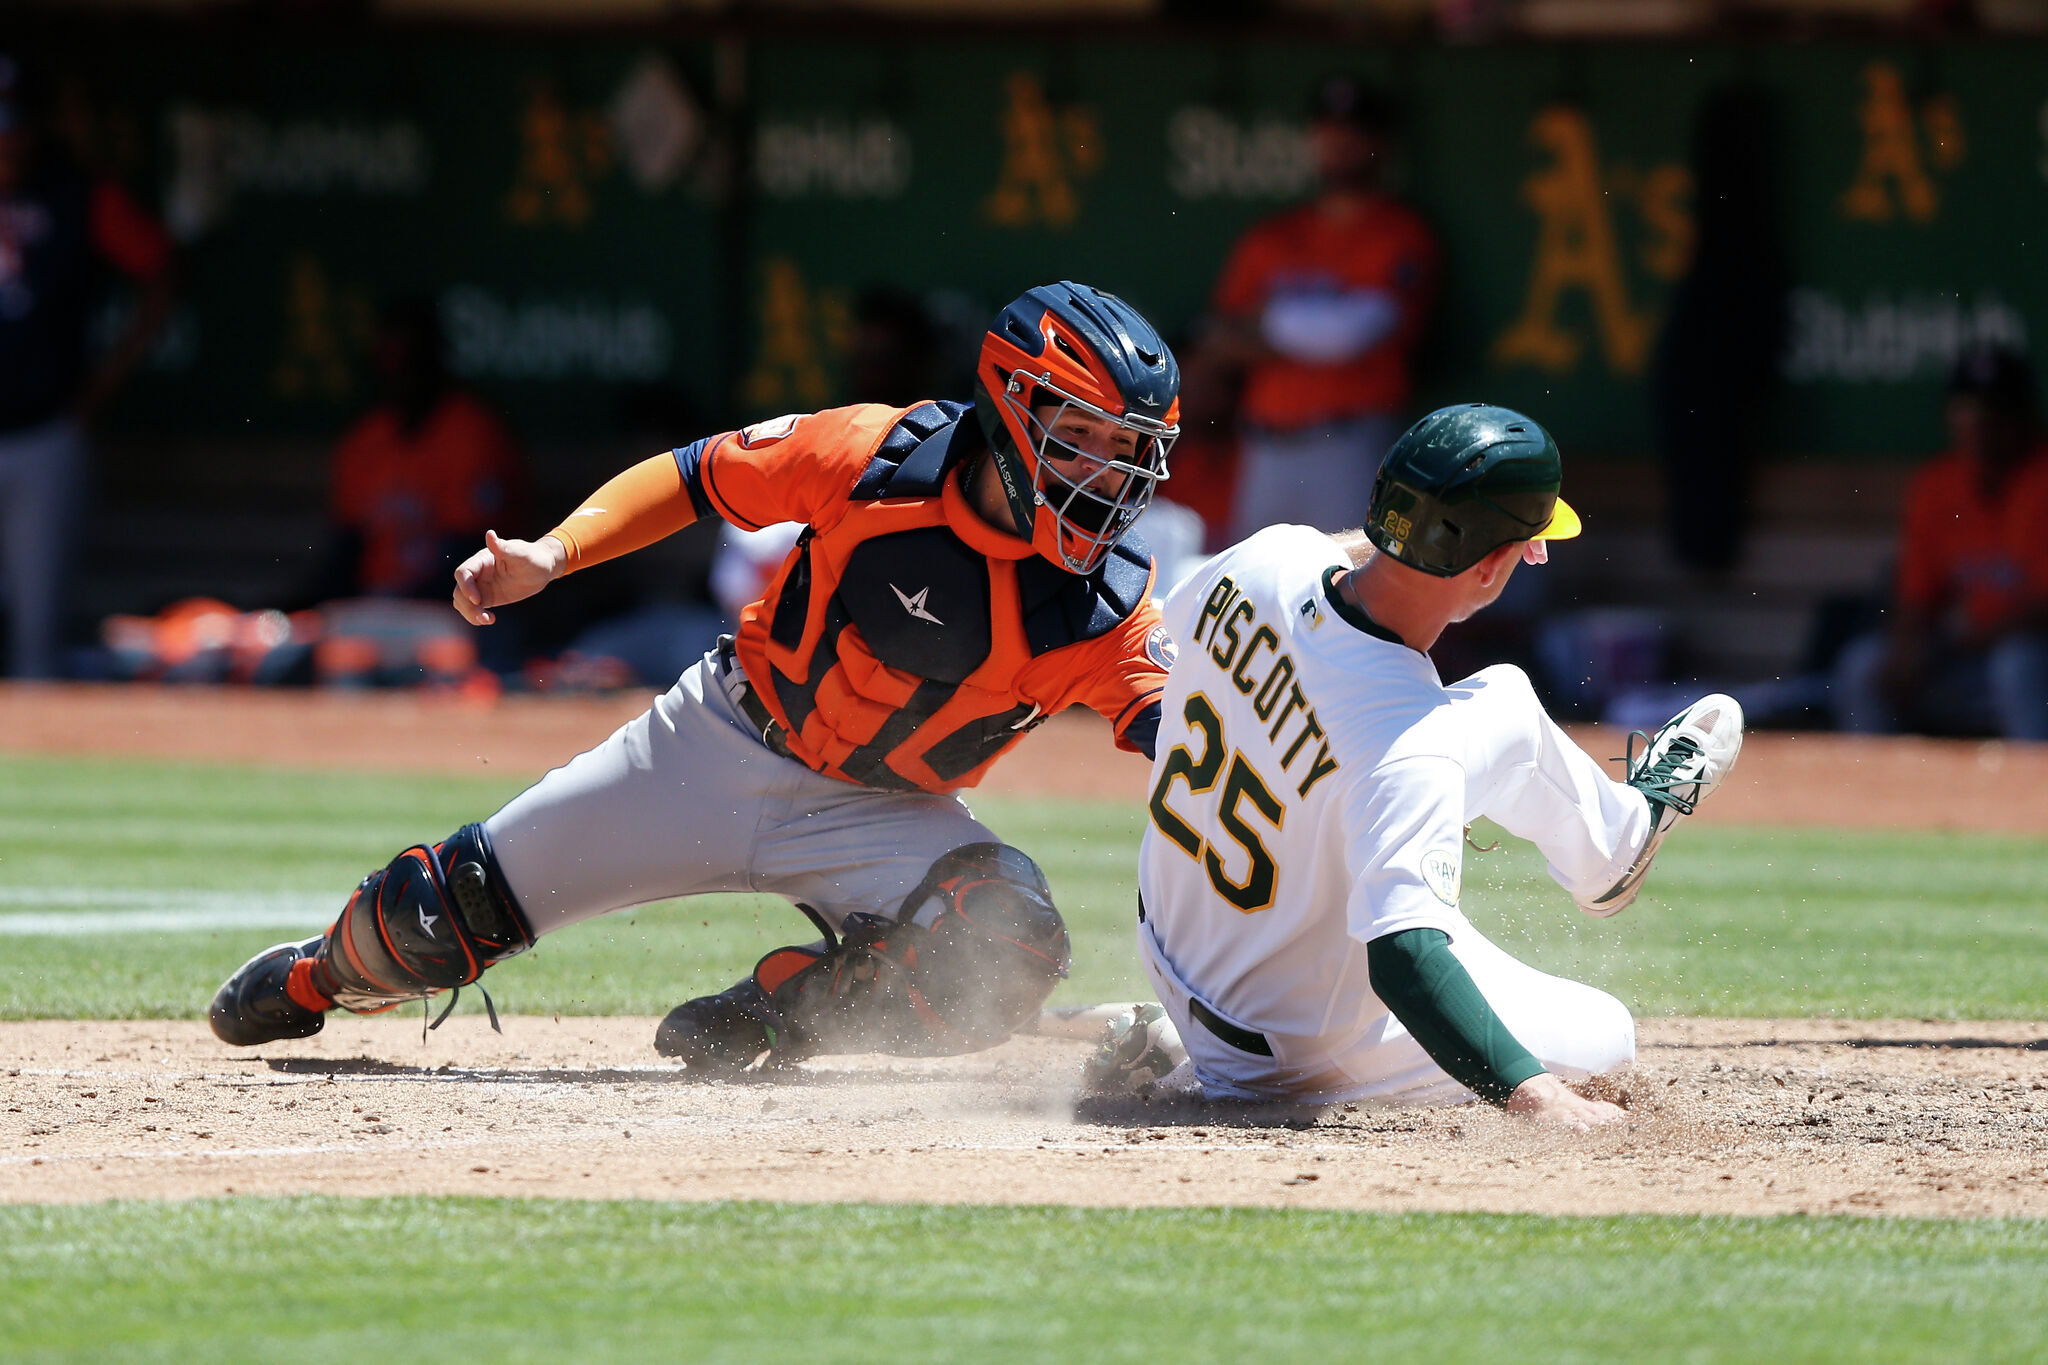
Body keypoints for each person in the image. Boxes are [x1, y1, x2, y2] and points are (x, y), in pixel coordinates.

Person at [207, 281, 1183, 1075]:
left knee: (1003, 948)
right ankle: (313, 979)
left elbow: (1194, 746)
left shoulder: (1109, 612)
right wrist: (552, 554)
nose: (1105, 474)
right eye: (1081, 436)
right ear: (1014, 408)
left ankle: (775, 1012)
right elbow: (692, 476)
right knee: (438, 915)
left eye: (1125, 451)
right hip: (716, 741)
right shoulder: (874, 460)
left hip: (885, 813)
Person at [1092, 403, 1744, 1128]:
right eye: (1530, 541)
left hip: (1176, 945)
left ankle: (1618, 838)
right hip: (1288, 1054)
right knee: (1606, 1035)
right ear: (1494, 564)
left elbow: (1178, 657)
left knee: (1503, 702)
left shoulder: (1262, 556)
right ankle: (1200, 1061)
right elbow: (1405, 959)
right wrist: (1538, 1097)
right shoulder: (1410, 745)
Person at [1202, 76, 1438, 545]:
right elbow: (1219, 337)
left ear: (1380, 143)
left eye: (1353, 132)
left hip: (1348, 443)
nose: (1338, 144)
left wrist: (1268, 325)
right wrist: (1306, 330)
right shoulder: (1273, 237)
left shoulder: (1398, 232)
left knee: (1344, 588)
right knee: (1251, 593)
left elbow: (1354, 334)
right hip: (1265, 446)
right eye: (1328, 131)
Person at [0, 56, 174, 677]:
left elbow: (162, 270)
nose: (7, 140)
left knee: (36, 637)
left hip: (46, 429)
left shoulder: (75, 192)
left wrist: (100, 386)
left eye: (14, 124)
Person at [1834, 345, 2048, 741]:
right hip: (1960, 663)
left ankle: (2036, 797)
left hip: (2027, 664)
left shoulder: (2041, 477)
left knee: (2017, 665)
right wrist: (1909, 646)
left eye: (1993, 409)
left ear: (2021, 415)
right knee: (1863, 666)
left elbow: (2042, 609)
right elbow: (1916, 596)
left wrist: (1965, 637)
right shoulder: (1938, 484)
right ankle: (1870, 798)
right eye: (1966, 409)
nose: (1979, 423)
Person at [307, 296, 527, 605]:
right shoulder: (365, 440)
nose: (399, 375)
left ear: (434, 360)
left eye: (410, 361)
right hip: (372, 606)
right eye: (389, 362)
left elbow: (470, 553)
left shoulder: (470, 433)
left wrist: (396, 607)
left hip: (462, 604)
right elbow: (347, 549)